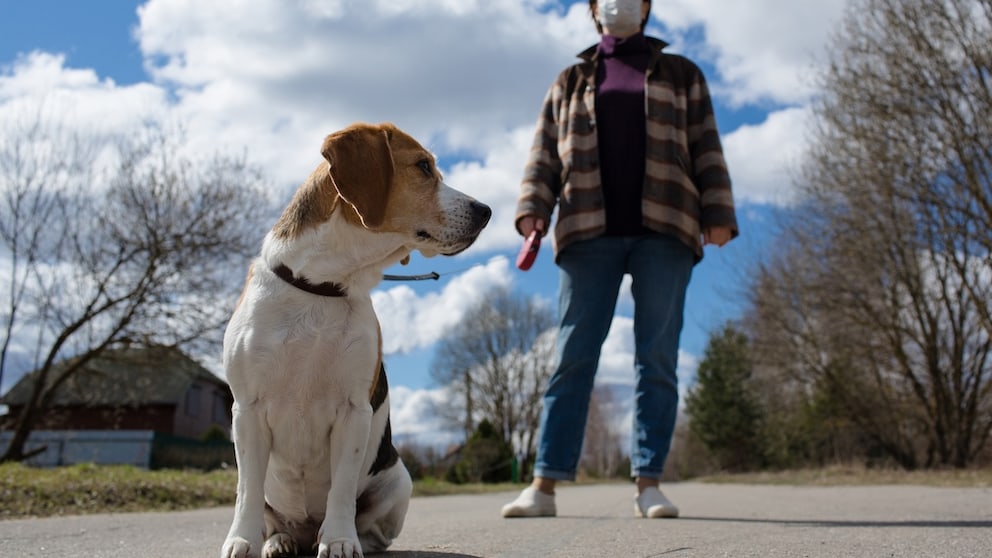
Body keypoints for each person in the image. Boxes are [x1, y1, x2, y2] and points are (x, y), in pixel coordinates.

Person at [502, 0, 737, 519]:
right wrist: (532, 211)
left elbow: (706, 144)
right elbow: (544, 150)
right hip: (587, 227)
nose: (619, 2)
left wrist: (718, 210)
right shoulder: (570, 78)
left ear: (648, 7)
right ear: (591, 10)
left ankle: (649, 483)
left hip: (667, 225)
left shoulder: (681, 73)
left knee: (656, 357)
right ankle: (543, 487)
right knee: (572, 356)